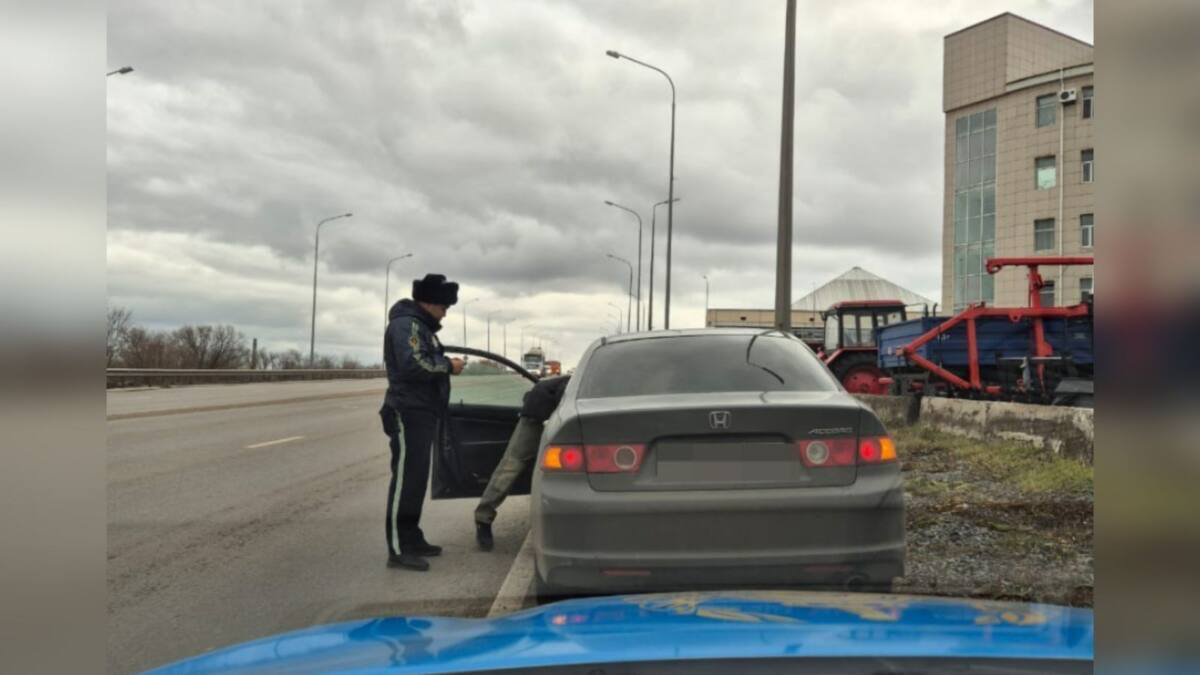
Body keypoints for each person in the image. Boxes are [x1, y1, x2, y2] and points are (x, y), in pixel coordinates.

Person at [380, 273, 465, 571]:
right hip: (407, 411)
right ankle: (398, 549)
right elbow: (413, 364)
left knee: (415, 481)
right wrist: (448, 366)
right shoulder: (407, 325)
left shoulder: (420, 326)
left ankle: (412, 538)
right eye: (443, 306)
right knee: (405, 481)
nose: (445, 312)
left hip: (422, 411)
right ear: (429, 302)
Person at [474, 374, 571, 551]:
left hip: (559, 414)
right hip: (538, 415)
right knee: (511, 466)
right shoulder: (580, 379)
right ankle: (483, 518)